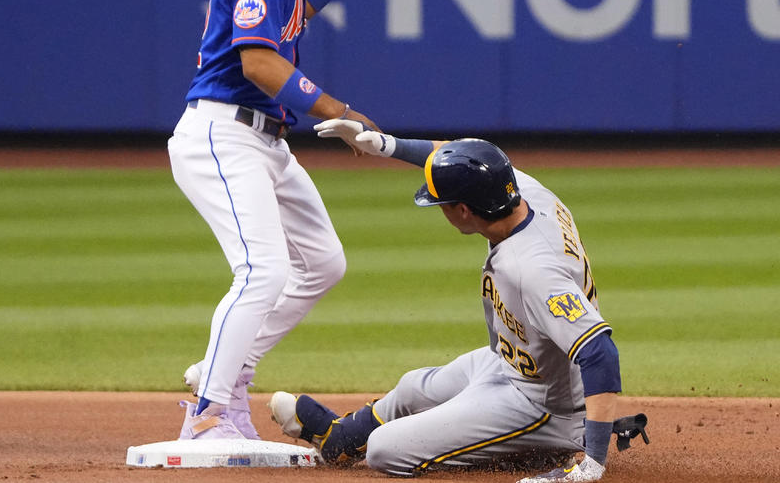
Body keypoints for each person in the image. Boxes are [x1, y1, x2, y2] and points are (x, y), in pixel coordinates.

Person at [168, 0, 444, 440]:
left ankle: (220, 372)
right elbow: (260, 61)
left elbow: (297, 9)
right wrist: (339, 111)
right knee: (261, 271)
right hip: (224, 134)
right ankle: (210, 411)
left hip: (259, 138)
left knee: (320, 263)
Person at [266, 121, 636, 482]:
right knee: (413, 387)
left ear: (463, 211)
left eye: (441, 204)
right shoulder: (522, 190)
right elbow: (456, 156)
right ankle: (338, 439)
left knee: (385, 450)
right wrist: (383, 145)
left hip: (544, 404)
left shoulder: (531, 269)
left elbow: (600, 352)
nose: (438, 208)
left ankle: (549, 445)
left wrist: (594, 464)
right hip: (512, 364)